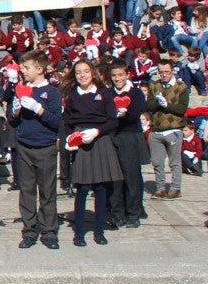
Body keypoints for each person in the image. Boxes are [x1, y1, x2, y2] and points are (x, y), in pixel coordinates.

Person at [62, 60, 123, 246]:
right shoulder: (72, 95)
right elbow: (67, 120)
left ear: (93, 73)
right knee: (82, 188)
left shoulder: (104, 93)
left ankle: (99, 231)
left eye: (86, 71)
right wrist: (71, 137)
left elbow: (112, 121)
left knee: (100, 187)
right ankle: (79, 233)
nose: (82, 75)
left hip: (99, 138)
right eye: (78, 72)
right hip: (81, 140)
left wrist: (97, 131)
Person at [9, 51, 63, 249]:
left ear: (39, 69)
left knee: (47, 191)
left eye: (27, 67)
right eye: (22, 67)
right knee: (27, 191)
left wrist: (38, 109)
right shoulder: (21, 89)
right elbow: (12, 121)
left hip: (46, 147)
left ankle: (49, 232)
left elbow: (56, 121)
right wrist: (15, 111)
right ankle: (29, 231)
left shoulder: (52, 92)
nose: (23, 71)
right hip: (24, 146)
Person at [107, 60, 149, 228]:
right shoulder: (108, 93)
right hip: (113, 136)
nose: (117, 79)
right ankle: (117, 213)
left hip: (129, 135)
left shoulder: (135, 93)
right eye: (114, 75)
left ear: (127, 75)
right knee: (115, 178)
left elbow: (138, 111)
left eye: (120, 75)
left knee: (131, 177)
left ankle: (133, 213)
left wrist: (125, 114)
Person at [146, 60, 188, 199]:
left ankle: (175, 188)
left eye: (167, 72)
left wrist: (167, 105)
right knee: (157, 162)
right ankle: (160, 188)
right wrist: (158, 103)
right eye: (161, 72)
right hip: (156, 129)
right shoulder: (154, 85)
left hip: (173, 129)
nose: (164, 75)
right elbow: (149, 105)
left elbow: (182, 109)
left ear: (172, 71)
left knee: (174, 162)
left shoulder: (181, 87)